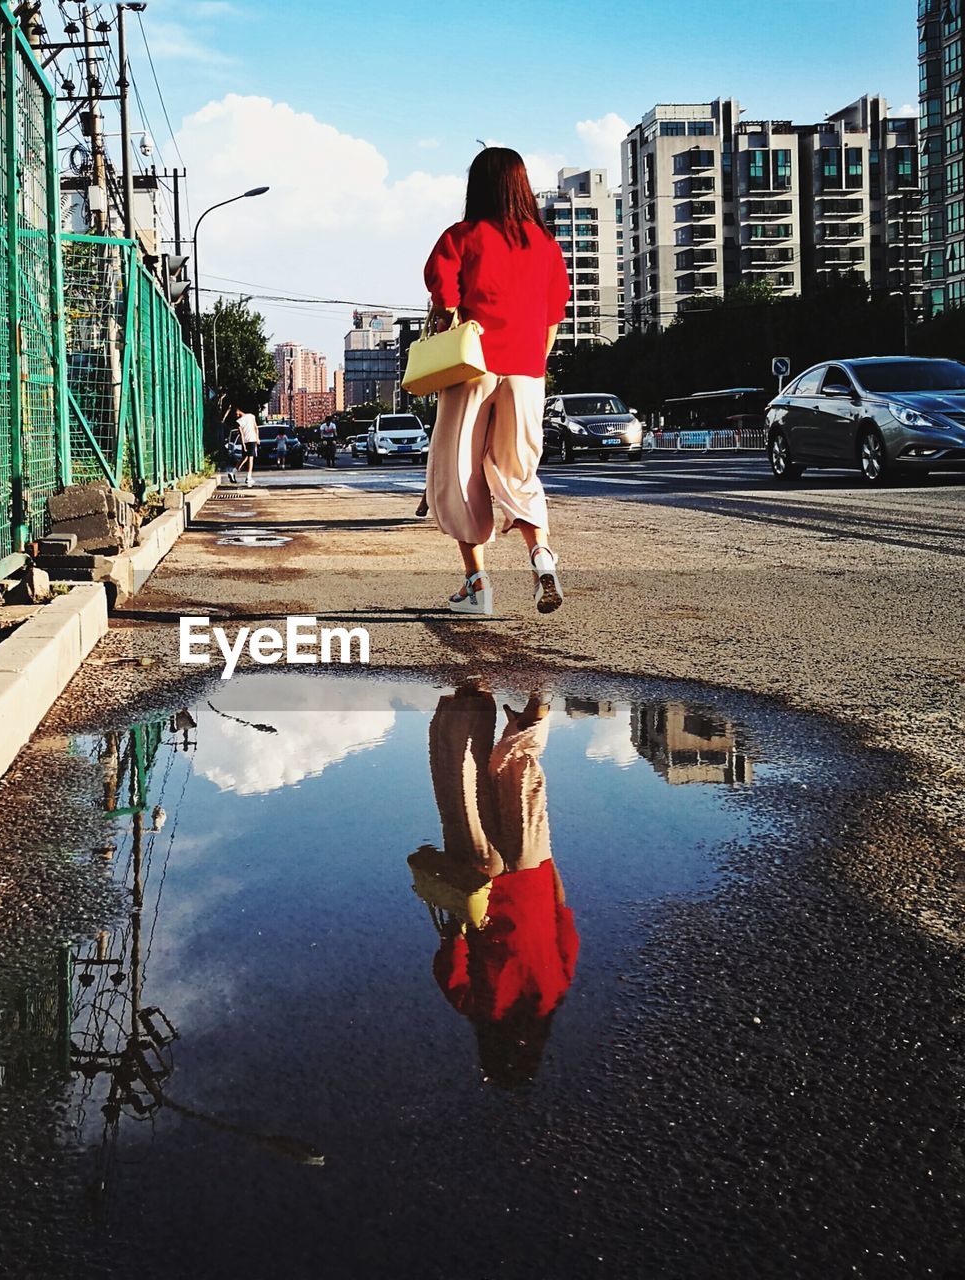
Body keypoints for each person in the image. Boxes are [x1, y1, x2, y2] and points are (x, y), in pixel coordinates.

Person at [423, 147, 571, 617]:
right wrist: (529, 364)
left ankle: (478, 585)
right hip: (528, 372)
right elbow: (552, 319)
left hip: (472, 368)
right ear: (521, 185)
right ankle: (541, 558)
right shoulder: (546, 246)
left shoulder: (461, 236)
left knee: (461, 472)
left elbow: (445, 302)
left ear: (477, 186)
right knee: (518, 470)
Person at [408, 684, 578, 1088]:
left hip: (532, 875)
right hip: (480, 887)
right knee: (464, 792)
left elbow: (561, 911)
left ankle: (534, 716)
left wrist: (547, 862)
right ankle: (470, 698)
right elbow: (450, 949)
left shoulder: (555, 992)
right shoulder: (477, 1009)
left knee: (521, 782)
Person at [229, 405, 259, 487]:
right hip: (251, 439)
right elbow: (256, 428)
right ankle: (248, 477)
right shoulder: (251, 416)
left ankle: (233, 472)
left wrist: (243, 444)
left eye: (235, 414)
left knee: (245, 457)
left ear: (238, 411)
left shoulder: (239, 421)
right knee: (251, 458)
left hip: (246, 441)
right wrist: (257, 438)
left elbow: (242, 434)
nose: (236, 416)